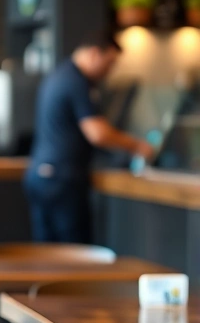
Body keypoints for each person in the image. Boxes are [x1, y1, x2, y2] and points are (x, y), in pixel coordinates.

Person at [25, 34, 155, 243]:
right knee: (75, 256)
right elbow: (98, 133)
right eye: (110, 62)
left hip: (41, 175)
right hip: (62, 181)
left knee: (47, 253)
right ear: (95, 53)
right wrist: (138, 145)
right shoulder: (77, 82)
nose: (109, 70)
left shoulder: (58, 74)